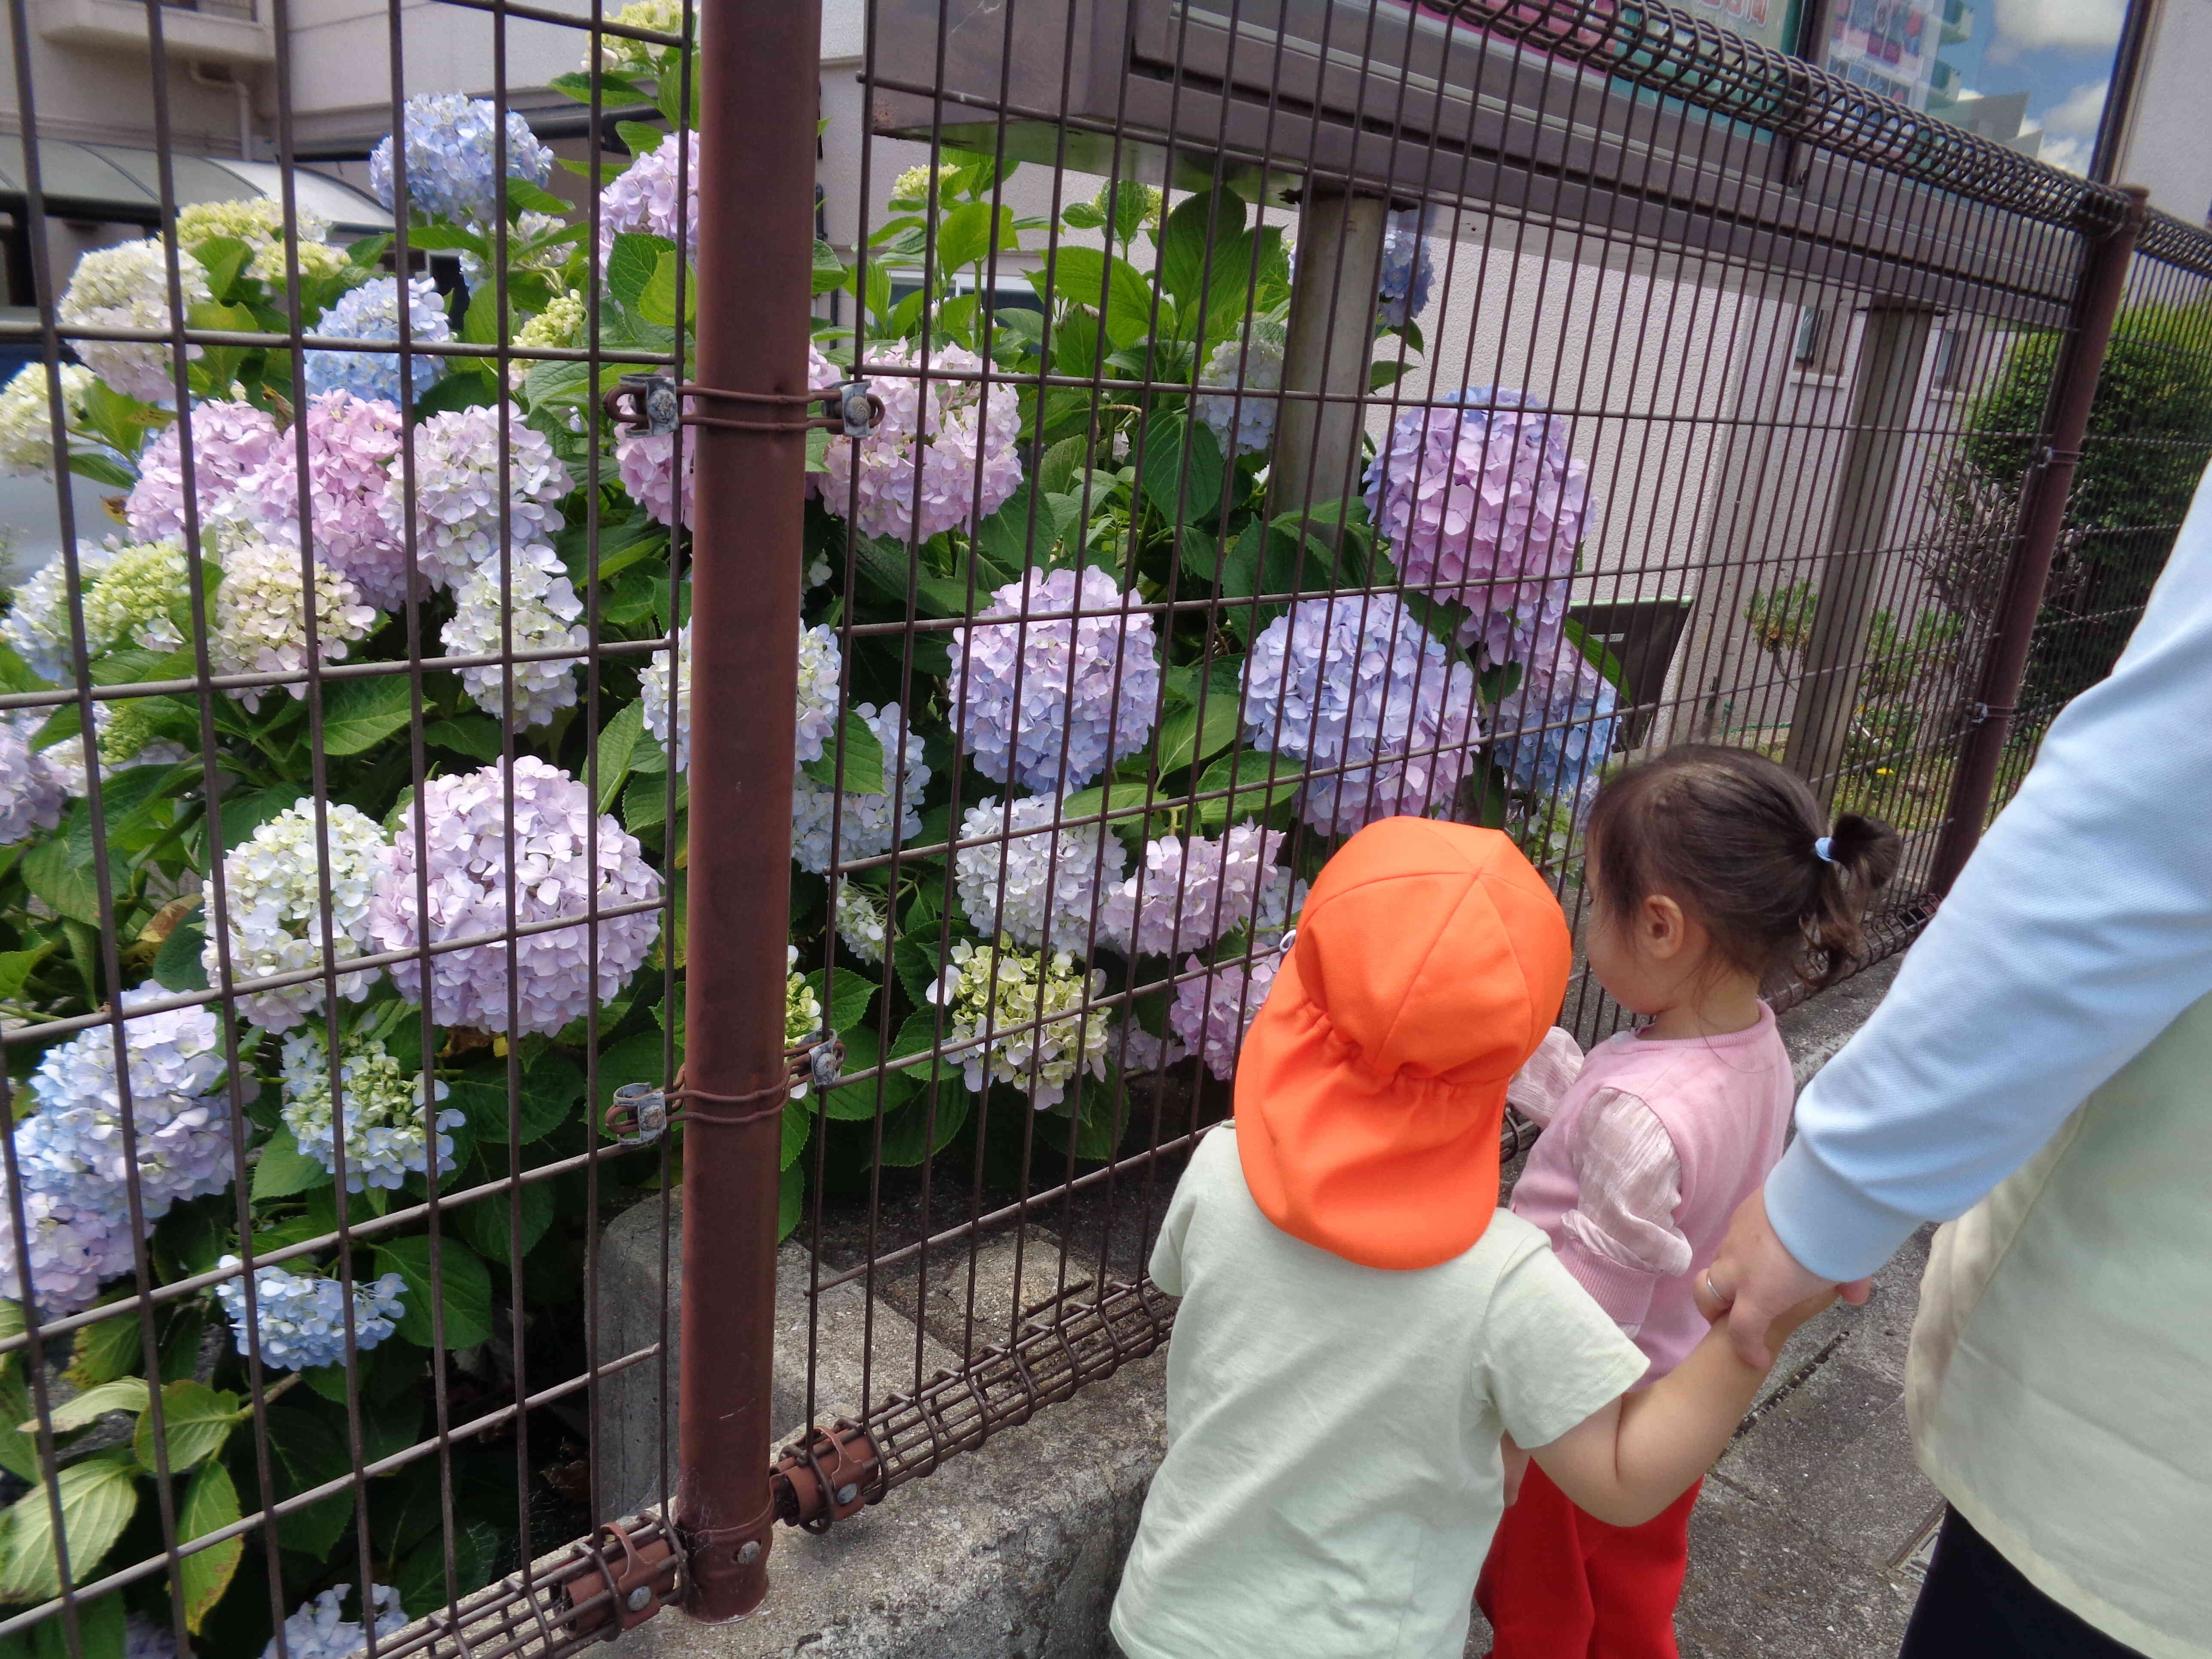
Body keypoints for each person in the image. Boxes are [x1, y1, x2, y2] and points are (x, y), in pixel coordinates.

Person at [1697, 458, 2212, 1659]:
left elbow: (2146, 834)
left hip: (2146, 1454)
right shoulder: (1749, 1067)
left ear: (1663, 928)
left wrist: (1835, 1200)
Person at [1107, 816, 1835, 1659]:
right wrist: (1757, 1330)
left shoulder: (1218, 1167)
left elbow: (1188, 1287)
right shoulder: (1507, 1285)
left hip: (1163, 1621)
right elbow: (1625, 1482)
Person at [1476, 748, 1900, 1659]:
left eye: (1595, 898)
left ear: (1661, 925)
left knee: (1539, 1612)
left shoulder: (1640, 1116)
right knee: (1628, 1593)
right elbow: (1666, 1157)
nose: (1589, 920)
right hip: (1675, 1398)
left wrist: (1516, 1432)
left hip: (1588, 1421)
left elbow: (1585, 1309)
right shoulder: (1753, 1047)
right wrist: (1552, 1083)